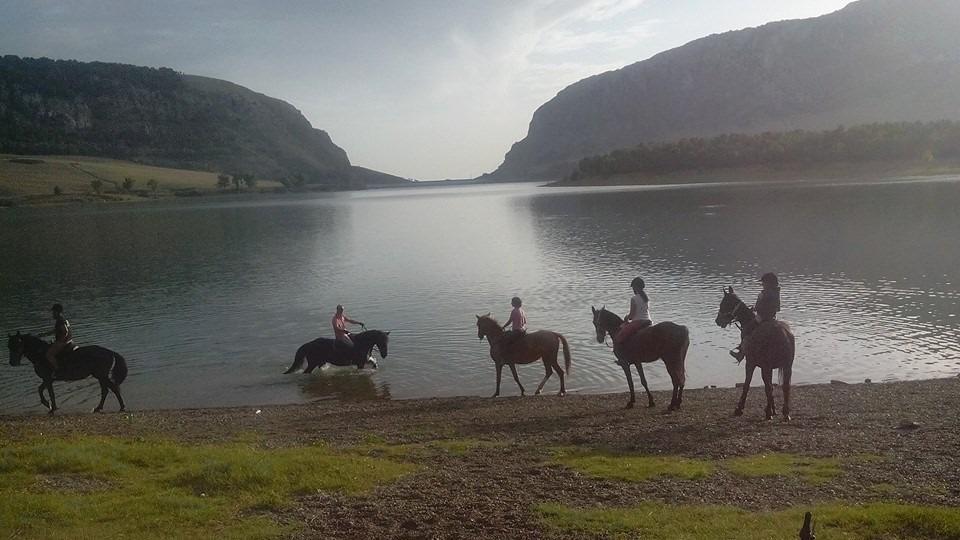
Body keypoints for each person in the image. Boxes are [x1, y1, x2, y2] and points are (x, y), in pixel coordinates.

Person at [730, 272, 781, 362]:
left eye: (764, 283)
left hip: (762, 317)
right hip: (773, 318)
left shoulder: (765, 293)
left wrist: (756, 308)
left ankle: (741, 353)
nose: (762, 284)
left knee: (746, 329)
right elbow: (777, 308)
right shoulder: (776, 292)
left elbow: (762, 306)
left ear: (769, 283)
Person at [613, 277, 653, 363]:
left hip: (638, 322)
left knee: (619, 337)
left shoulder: (634, 298)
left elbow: (632, 315)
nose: (633, 289)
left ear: (636, 287)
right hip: (648, 321)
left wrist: (626, 317)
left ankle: (623, 358)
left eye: (633, 287)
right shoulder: (646, 298)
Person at [41, 303, 74, 373]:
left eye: (53, 312)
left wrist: (59, 342)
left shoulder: (60, 320)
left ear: (57, 312)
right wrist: (43, 334)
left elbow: (65, 331)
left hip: (63, 342)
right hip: (68, 341)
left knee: (49, 355)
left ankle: (58, 370)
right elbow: (55, 331)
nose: (52, 314)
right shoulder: (63, 319)